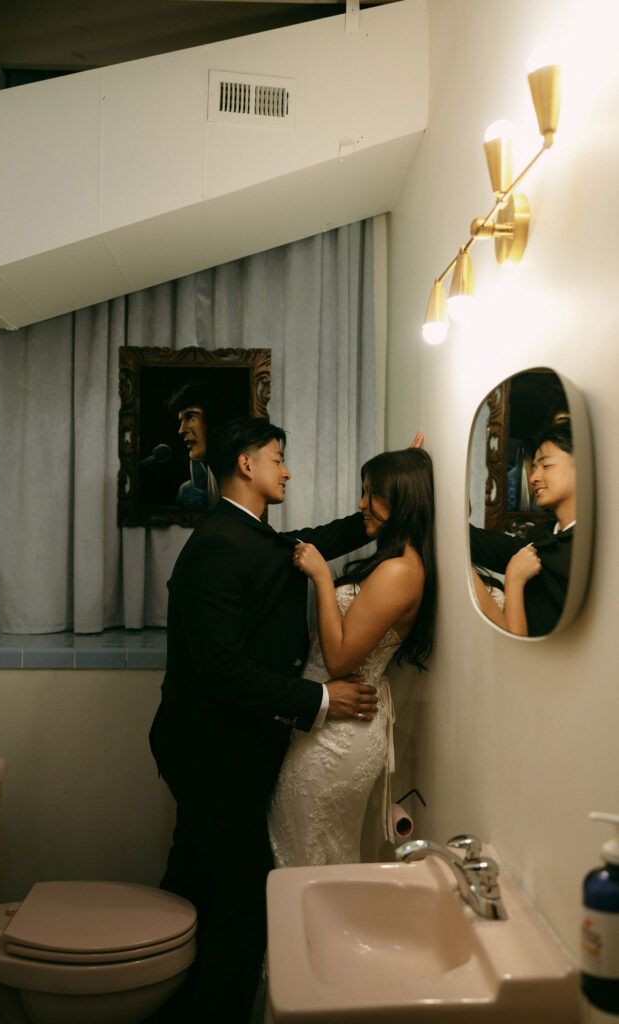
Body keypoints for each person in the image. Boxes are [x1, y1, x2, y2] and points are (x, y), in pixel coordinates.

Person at [148, 417, 380, 1024]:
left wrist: (385, 500)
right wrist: (322, 701)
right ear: (246, 465)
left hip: (226, 751)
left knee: (193, 885)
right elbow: (220, 669)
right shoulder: (217, 546)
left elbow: (313, 541)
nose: (287, 469)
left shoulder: (250, 535)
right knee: (249, 899)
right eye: (278, 457)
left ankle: (166, 1006)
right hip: (210, 755)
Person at [268, 446, 437, 868]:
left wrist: (323, 576)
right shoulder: (394, 561)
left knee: (308, 852)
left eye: (371, 493)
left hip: (341, 732)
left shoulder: (401, 570)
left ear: (400, 499)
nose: (362, 504)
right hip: (330, 722)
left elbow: (341, 658)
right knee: (306, 845)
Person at [470, 421, 576, 637]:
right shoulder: (539, 536)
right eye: (534, 467)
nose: (533, 477)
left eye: (546, 466)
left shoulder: (594, 548)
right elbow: (476, 542)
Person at [167, 379, 223, 506]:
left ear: (214, 419)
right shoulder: (187, 492)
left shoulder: (246, 486)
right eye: (181, 421)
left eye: (191, 417)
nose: (181, 430)